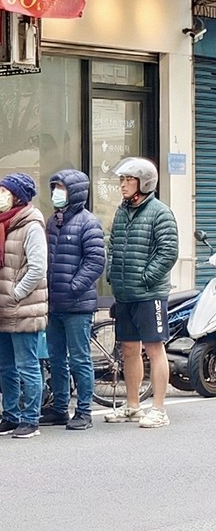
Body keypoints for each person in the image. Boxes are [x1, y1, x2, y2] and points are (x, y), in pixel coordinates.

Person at [104, 157, 179, 428]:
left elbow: (168, 251)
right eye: (121, 180)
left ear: (144, 183)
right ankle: (133, 405)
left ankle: (159, 409)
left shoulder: (160, 212)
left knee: (154, 348)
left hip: (150, 294)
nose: (122, 185)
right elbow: (111, 245)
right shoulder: (121, 211)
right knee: (128, 348)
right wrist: (112, 272)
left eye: (128, 180)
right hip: (125, 293)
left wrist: (147, 277)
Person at [0, 172, 48, 439]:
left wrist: (16, 294)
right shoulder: (2, 225)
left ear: (18, 197)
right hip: (0, 308)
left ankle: (31, 419)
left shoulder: (31, 225)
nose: (0, 197)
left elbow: (37, 267)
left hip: (21, 308)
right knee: (6, 365)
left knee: (27, 365)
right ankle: (11, 415)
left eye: (5, 192)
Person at [40, 170, 105, 431]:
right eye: (54, 187)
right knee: (56, 357)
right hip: (53, 303)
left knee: (79, 358)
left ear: (74, 192)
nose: (56, 193)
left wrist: (73, 286)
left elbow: (96, 261)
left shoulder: (89, 222)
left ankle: (84, 411)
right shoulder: (51, 222)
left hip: (77, 305)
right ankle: (59, 409)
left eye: (62, 188)